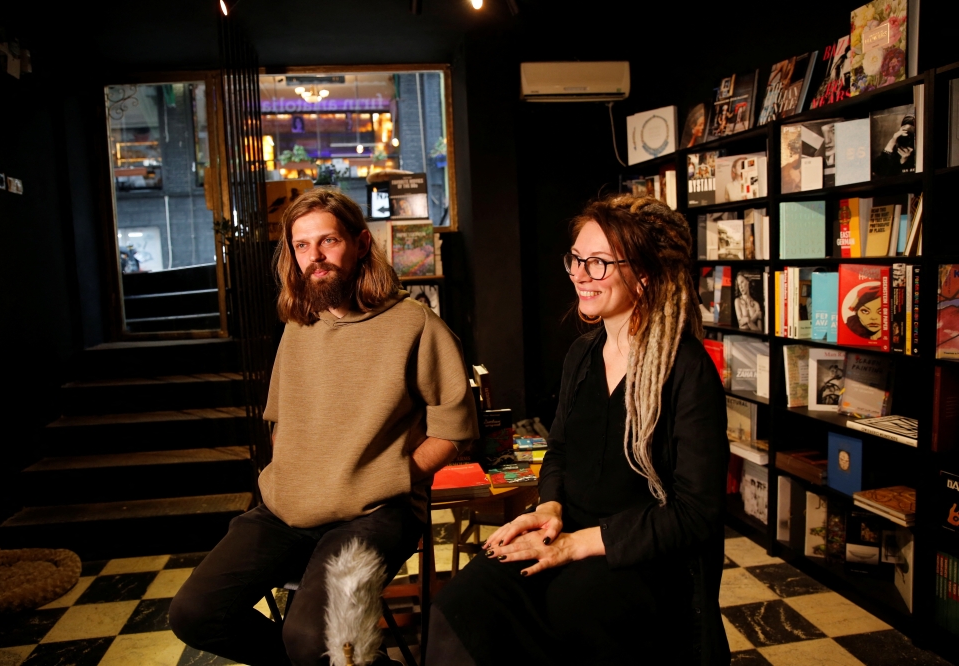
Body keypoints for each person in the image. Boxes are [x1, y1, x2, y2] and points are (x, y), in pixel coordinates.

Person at [170, 189, 478, 666]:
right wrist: (295, 476)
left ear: (358, 243)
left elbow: (453, 432)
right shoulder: (299, 327)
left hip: (375, 513)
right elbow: (281, 423)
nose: (315, 258)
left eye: (328, 241)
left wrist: (389, 479)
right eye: (302, 245)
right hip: (287, 509)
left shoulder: (416, 325)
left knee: (311, 636)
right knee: (194, 613)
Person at [426, 194, 730, 665]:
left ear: (644, 275)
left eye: (598, 263)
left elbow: (696, 513)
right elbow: (561, 451)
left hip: (642, 559)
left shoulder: (686, 369)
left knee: (552, 621)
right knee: (455, 608)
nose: (579, 275)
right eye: (576, 259)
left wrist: (577, 545)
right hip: (568, 534)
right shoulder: (582, 356)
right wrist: (548, 507)